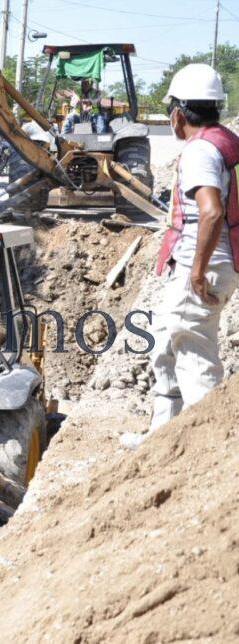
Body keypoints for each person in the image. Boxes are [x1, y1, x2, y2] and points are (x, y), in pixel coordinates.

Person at [141, 63, 239, 438]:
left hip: (206, 264)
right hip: (222, 258)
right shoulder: (227, 141)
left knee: (194, 353)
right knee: (165, 340)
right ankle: (162, 437)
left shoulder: (200, 150)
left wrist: (197, 271)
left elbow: (212, 211)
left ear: (178, 113)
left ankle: (206, 445)